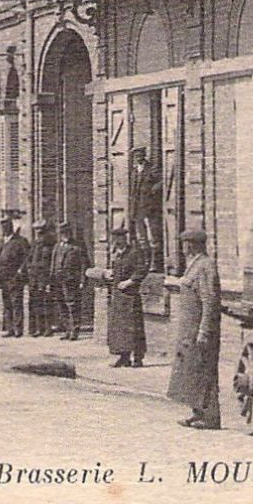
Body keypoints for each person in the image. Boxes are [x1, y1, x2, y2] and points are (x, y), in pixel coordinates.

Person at [167, 228, 221, 429]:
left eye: (185, 243)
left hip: (198, 330)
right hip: (189, 330)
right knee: (191, 371)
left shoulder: (205, 266)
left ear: (193, 245)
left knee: (203, 370)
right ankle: (197, 411)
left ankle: (210, 416)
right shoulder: (195, 264)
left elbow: (209, 301)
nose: (183, 247)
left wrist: (204, 330)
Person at [107, 224, 149, 367]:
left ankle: (138, 358)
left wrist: (130, 282)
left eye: (119, 239)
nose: (116, 242)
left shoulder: (134, 253)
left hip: (131, 296)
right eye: (115, 239)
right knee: (120, 328)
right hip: (118, 296)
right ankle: (124, 356)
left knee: (134, 327)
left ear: (124, 239)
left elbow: (142, 270)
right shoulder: (117, 254)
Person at [0, 217, 30, 337]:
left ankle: (18, 329)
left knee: (16, 303)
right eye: (2, 227)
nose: (4, 229)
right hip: (3, 278)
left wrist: (20, 270)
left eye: (7, 227)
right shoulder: (1, 242)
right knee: (7, 304)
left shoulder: (20, 241)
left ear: (11, 227)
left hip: (15, 277)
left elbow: (27, 258)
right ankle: (9, 328)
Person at [129, 148, 163, 260]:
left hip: (149, 207)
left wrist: (153, 190)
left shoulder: (152, 168)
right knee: (141, 236)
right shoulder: (134, 171)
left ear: (144, 155)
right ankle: (145, 260)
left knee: (152, 235)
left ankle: (155, 261)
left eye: (140, 155)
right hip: (137, 208)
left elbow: (162, 181)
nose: (138, 158)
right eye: (136, 156)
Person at [26, 222, 56, 336]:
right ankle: (39, 328)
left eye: (40, 229)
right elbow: (29, 258)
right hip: (34, 278)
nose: (38, 232)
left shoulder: (50, 244)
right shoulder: (35, 244)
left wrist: (48, 279)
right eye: (37, 229)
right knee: (36, 303)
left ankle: (48, 328)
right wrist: (29, 268)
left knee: (46, 303)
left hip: (45, 277)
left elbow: (51, 262)